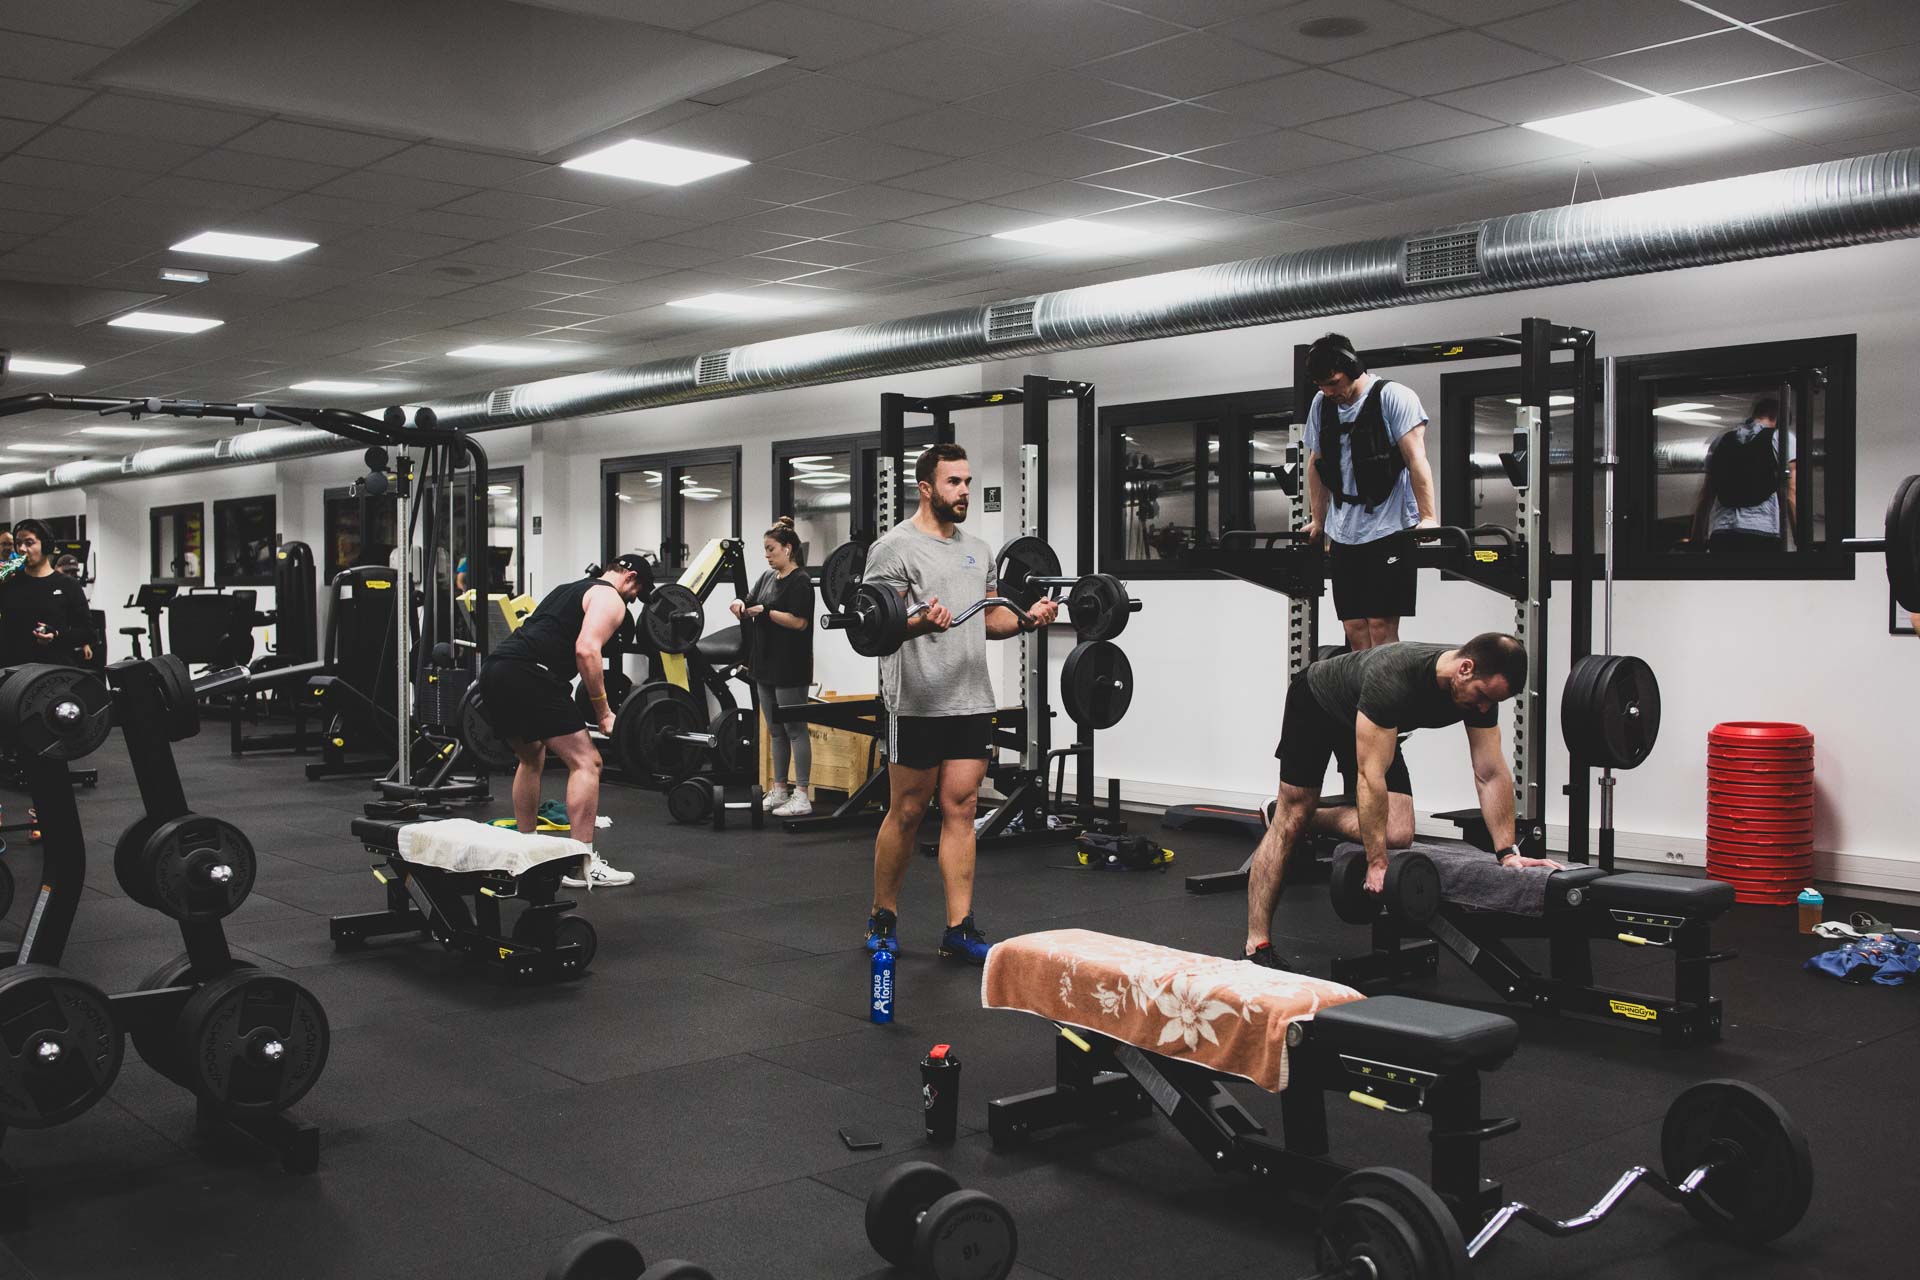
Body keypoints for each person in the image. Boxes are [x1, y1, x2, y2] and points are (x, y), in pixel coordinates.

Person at [1242, 634, 1560, 970]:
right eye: (1481, 696)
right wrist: (1376, 860)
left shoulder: (1479, 694)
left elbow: (1490, 772)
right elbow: (1370, 776)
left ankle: (1295, 816)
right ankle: (1256, 945)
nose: (1483, 707)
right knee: (1292, 819)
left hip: (1376, 722)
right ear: (1465, 669)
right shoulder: (1394, 677)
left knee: (1398, 832)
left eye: (1490, 701)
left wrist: (1507, 852)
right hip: (1318, 703)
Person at [861, 443, 1060, 964]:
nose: (965, 490)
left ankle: (959, 927)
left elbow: (988, 618)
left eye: (968, 481)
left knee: (963, 807)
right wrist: (918, 622)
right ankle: (883, 916)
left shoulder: (979, 549)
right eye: (954, 482)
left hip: (972, 698)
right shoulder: (894, 549)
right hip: (917, 700)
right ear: (926, 488)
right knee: (906, 811)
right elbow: (873, 626)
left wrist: (1025, 618)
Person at [475, 554, 650, 889]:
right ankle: (580, 864)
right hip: (532, 674)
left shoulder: (567, 589)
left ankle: (524, 853)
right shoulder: (611, 598)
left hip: (497, 669)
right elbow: (586, 650)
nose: (632, 600)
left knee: (530, 757)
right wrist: (604, 713)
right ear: (629, 577)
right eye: (636, 592)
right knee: (588, 762)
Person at [1301, 333, 1439, 651]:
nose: (1328, 391)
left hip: (1388, 529)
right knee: (1353, 627)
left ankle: (1383, 699)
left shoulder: (1394, 397)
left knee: (1380, 625)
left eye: (1333, 382)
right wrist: (1318, 520)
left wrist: (1429, 517)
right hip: (1344, 533)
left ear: (1353, 367)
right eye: (1321, 385)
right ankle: (1361, 698)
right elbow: (1316, 464)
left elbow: (1416, 460)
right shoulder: (1322, 405)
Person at [732, 516, 816, 819]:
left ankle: (802, 794)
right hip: (763, 663)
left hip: (790, 666)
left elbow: (799, 621)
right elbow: (750, 599)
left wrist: (765, 612)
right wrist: (740, 604)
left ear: (788, 549)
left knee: (795, 730)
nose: (767, 555)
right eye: (765, 550)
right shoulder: (768, 578)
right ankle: (780, 789)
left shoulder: (802, 582)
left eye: (771, 549)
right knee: (775, 731)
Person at [1691, 397, 1797, 552]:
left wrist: (1696, 540)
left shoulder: (1721, 440)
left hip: (1722, 533)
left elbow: (1706, 494)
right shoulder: (1782, 438)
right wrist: (1800, 540)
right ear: (1779, 419)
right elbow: (1791, 493)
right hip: (1761, 532)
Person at [0, 520, 94, 668]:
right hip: (14, 673)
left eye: (29, 543)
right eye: (18, 543)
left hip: (53, 673)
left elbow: (88, 632)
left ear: (46, 545)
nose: (22, 549)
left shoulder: (68, 585)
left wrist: (56, 635)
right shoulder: (8, 584)